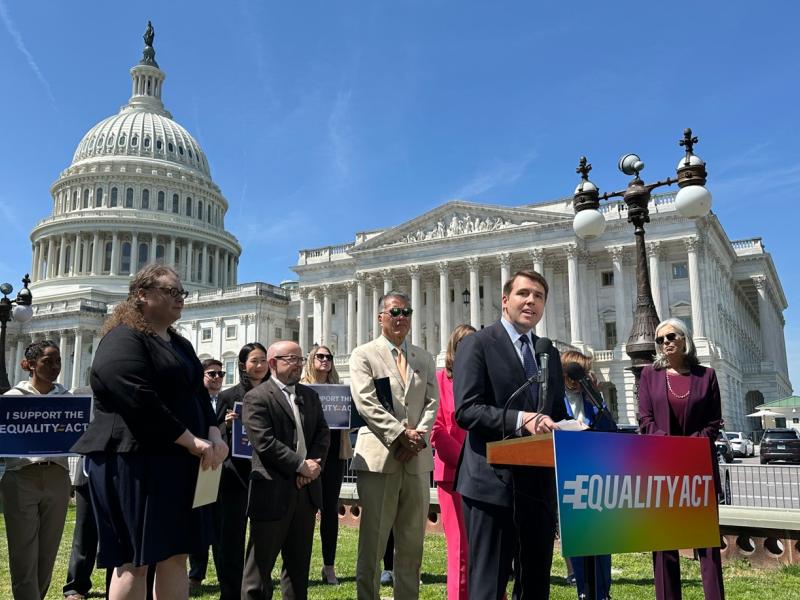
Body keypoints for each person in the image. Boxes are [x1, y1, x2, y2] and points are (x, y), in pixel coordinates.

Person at [71, 264, 228, 600]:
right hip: (133, 460)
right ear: (141, 294)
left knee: (176, 553)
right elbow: (137, 398)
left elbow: (199, 395)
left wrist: (214, 435)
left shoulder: (181, 345)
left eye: (181, 293)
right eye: (171, 292)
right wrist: (191, 440)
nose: (180, 299)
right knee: (134, 561)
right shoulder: (123, 338)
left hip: (179, 461)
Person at [454, 270, 566, 600]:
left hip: (537, 486)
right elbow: (467, 410)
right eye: (523, 294)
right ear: (505, 300)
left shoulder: (549, 353)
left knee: (535, 584)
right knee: (489, 584)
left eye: (539, 296)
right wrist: (522, 420)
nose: (531, 301)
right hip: (492, 484)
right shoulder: (477, 344)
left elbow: (554, 411)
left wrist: (570, 428)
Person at [348, 290, 439, 600]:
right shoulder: (363, 354)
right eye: (395, 312)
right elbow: (365, 402)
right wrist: (401, 434)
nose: (401, 318)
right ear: (381, 317)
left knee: (412, 546)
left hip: (416, 459)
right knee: (372, 544)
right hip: (379, 458)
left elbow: (432, 402)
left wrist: (418, 436)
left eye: (406, 312)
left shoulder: (423, 357)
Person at [638, 318, 725, 600]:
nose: (666, 342)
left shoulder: (706, 376)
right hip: (662, 466)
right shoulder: (649, 375)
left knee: (707, 546)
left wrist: (691, 446)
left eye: (671, 336)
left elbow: (714, 422)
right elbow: (644, 418)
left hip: (698, 465)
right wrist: (667, 444)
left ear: (685, 339)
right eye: (660, 339)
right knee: (664, 546)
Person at [241, 340, 330, 600]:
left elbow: (322, 435)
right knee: (258, 574)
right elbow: (264, 442)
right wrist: (301, 466)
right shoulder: (256, 397)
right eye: (291, 360)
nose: (298, 365)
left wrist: (313, 466)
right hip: (272, 492)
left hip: (306, 493)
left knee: (298, 571)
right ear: (273, 363)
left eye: (300, 360)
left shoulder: (309, 395)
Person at [2, 340, 71, 600]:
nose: (55, 367)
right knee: (23, 551)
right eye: (47, 361)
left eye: (58, 362)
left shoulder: (67, 399)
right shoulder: (11, 400)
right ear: (30, 365)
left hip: (57, 476)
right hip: (21, 476)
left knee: (47, 551)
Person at [213, 343, 269, 600]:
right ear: (243, 365)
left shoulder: (275, 394)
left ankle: (256, 588)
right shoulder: (228, 396)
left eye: (263, 361)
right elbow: (213, 433)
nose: (259, 366)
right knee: (231, 537)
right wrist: (225, 425)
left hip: (265, 473)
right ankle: (230, 591)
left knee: (262, 538)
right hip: (235, 474)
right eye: (254, 361)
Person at [560, 350, 614, 600]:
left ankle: (602, 591)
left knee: (601, 539)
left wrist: (596, 400)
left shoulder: (592, 398)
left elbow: (610, 431)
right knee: (577, 539)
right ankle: (583, 589)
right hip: (566, 476)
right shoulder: (554, 398)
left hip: (594, 475)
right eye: (578, 371)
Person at [300, 344, 353, 585]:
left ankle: (329, 566)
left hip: (333, 454)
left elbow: (348, 423)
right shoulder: (300, 389)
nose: (325, 360)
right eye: (320, 356)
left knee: (330, 510)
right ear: (311, 359)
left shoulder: (339, 390)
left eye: (329, 356)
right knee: (304, 511)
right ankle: (299, 565)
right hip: (308, 455)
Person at [431, 324, 475, 600]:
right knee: (459, 547)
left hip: (486, 472)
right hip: (453, 473)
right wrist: (466, 460)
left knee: (485, 545)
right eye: (465, 345)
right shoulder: (439, 380)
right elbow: (435, 430)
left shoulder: (485, 380)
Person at [188, 357, 226, 590]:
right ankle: (196, 574)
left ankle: (225, 574)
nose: (217, 378)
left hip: (223, 467)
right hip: (198, 464)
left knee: (221, 525)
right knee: (199, 522)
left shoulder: (228, 400)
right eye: (212, 374)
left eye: (220, 374)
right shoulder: (194, 401)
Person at [62, 385, 99, 600]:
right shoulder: (80, 395)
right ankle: (76, 585)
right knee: (84, 531)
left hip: (122, 470)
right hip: (88, 470)